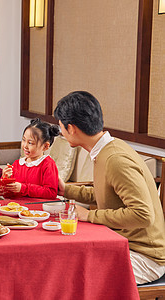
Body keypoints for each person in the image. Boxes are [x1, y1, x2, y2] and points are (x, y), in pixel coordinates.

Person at [54, 90, 165, 284]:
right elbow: (106, 194)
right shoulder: (104, 150)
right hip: (123, 243)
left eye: (61, 127)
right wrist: (65, 190)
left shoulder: (115, 159)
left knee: (73, 277)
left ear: (71, 128)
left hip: (144, 257)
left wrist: (89, 215)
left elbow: (143, 215)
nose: (61, 132)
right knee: (65, 261)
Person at [1, 118, 60, 199]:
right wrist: (5, 179)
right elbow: (6, 195)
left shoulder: (48, 164)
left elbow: (51, 193)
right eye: (23, 140)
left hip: (37, 209)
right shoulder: (17, 164)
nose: (25, 146)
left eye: (30, 143)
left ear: (45, 146)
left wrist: (23, 188)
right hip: (17, 208)